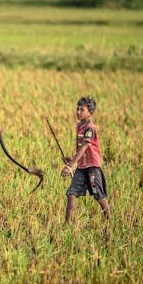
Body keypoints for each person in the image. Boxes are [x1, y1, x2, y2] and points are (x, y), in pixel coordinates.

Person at [61, 96, 111, 224]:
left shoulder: (90, 128)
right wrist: (72, 159)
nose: (78, 112)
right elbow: (80, 150)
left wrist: (71, 165)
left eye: (81, 110)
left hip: (92, 166)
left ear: (90, 113)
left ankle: (108, 222)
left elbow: (84, 147)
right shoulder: (79, 126)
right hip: (82, 166)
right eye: (77, 109)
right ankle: (67, 225)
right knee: (71, 193)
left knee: (99, 196)